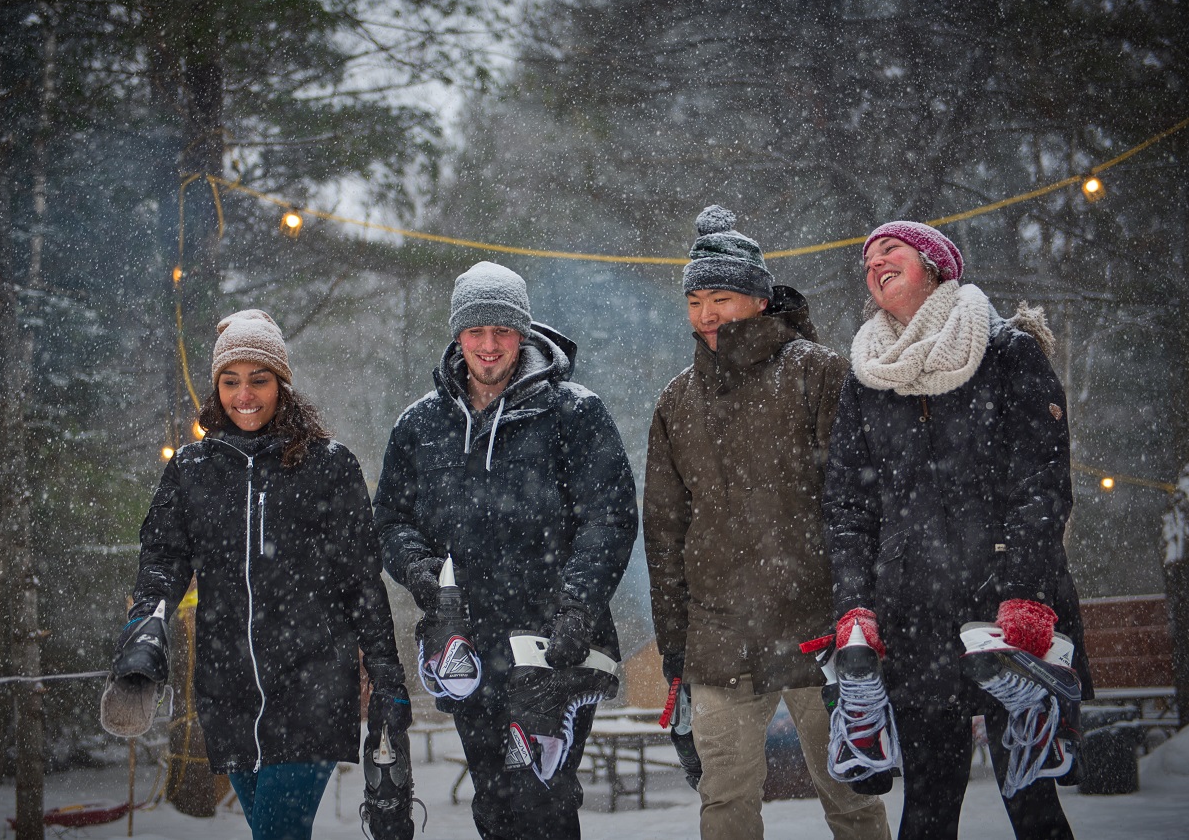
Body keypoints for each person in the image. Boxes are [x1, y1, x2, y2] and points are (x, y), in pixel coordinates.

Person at [823, 221, 1094, 840]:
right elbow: (847, 509)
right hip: (914, 613)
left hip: (1008, 608)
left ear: (936, 265)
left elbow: (1042, 484)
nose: (874, 264)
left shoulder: (1006, 351)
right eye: (867, 261)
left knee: (1033, 804)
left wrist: (1026, 592)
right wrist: (854, 609)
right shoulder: (867, 377)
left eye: (889, 251)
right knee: (926, 811)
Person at [114, 309, 410, 840]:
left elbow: (362, 579)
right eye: (230, 381)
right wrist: (146, 623)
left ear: (282, 385)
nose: (243, 395)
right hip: (229, 688)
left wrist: (386, 676)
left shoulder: (328, 465)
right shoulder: (192, 469)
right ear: (217, 387)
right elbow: (163, 555)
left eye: (259, 380)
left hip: (311, 687)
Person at [644, 205, 892, 840]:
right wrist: (676, 647)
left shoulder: (820, 373)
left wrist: (862, 614)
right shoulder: (675, 401)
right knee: (724, 803)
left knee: (853, 800)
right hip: (720, 638)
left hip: (821, 631)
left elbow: (863, 503)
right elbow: (665, 535)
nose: (706, 313)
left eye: (721, 296)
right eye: (696, 299)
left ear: (757, 298)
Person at [373, 261, 637, 840]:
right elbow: (390, 521)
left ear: (524, 332)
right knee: (493, 807)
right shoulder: (421, 425)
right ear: (456, 334)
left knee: (543, 800)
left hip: (557, 646)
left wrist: (577, 606)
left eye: (502, 331)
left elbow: (610, 519)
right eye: (475, 332)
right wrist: (420, 572)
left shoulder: (574, 412)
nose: (489, 347)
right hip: (468, 648)